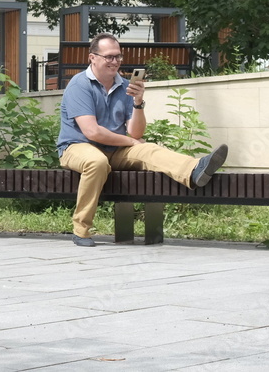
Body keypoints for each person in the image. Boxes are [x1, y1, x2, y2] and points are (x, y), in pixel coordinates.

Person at [56, 33, 228, 247]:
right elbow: (92, 132)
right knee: (96, 162)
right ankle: (81, 230)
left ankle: (194, 170)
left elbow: (135, 133)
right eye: (109, 57)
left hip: (114, 149)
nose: (115, 61)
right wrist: (129, 142)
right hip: (78, 147)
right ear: (92, 58)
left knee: (148, 149)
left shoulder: (125, 86)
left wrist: (138, 102)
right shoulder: (79, 84)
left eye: (118, 56)